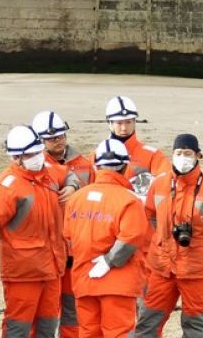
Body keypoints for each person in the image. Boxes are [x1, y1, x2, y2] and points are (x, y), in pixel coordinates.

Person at [0, 125, 70, 338]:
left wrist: (71, 187)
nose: (37, 157)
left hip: (52, 269)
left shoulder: (49, 172)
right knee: (18, 328)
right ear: (16, 158)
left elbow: (69, 175)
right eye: (30, 154)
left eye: (38, 152)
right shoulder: (8, 187)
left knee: (47, 327)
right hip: (24, 274)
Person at [141, 134, 203, 338]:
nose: (183, 157)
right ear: (172, 154)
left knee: (195, 323)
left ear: (198, 155)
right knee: (148, 320)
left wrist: (202, 249)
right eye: (179, 153)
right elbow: (151, 215)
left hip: (197, 269)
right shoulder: (159, 183)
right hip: (162, 265)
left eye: (188, 153)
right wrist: (164, 239)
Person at [64, 138, 149, 338]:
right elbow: (132, 237)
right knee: (118, 333)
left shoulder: (76, 199)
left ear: (97, 165)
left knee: (88, 333)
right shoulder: (130, 200)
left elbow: (68, 236)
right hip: (119, 284)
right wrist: (109, 261)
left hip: (85, 280)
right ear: (125, 166)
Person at [32, 110, 95, 338]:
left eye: (60, 136)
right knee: (44, 311)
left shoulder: (84, 165)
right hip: (46, 251)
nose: (57, 141)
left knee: (72, 310)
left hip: (74, 250)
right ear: (40, 140)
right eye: (51, 138)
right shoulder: (35, 167)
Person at [104, 96, 168, 196]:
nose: (124, 128)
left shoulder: (153, 155)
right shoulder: (97, 155)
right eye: (119, 123)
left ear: (134, 121)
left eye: (128, 122)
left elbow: (166, 183)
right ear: (110, 123)